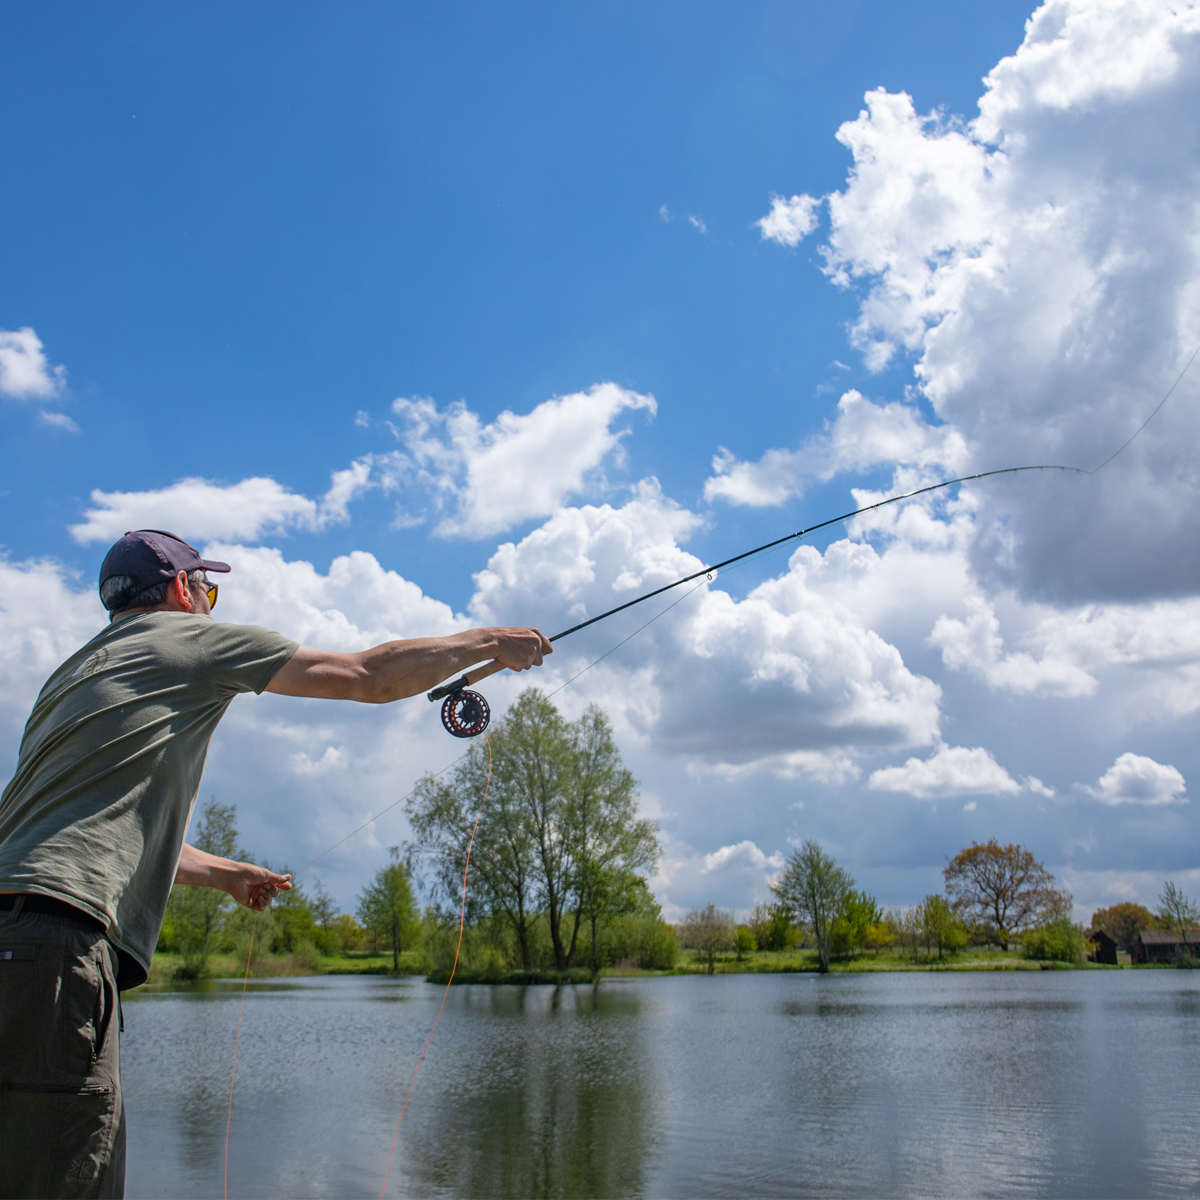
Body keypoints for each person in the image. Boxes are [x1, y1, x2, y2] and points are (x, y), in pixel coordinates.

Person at [0, 529, 550, 1199]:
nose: (210, 601)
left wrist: (225, 873)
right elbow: (368, 676)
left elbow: (79, 838)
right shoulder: (192, 641)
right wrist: (492, 641)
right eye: (208, 587)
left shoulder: (70, 678)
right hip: (55, 956)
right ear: (182, 589)